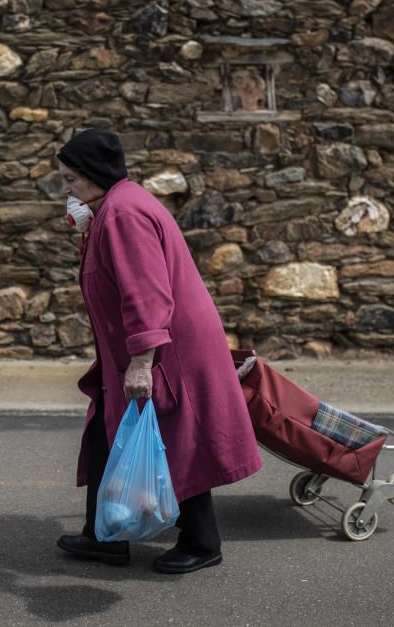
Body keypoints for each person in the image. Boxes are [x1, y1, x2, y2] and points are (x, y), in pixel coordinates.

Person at [54, 128, 262, 574]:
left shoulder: (123, 214)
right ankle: (102, 534)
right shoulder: (115, 205)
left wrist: (142, 362)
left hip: (165, 348)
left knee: (173, 439)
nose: (66, 189)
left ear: (93, 175)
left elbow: (146, 293)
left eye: (71, 179)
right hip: (150, 344)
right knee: (105, 433)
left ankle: (202, 543)